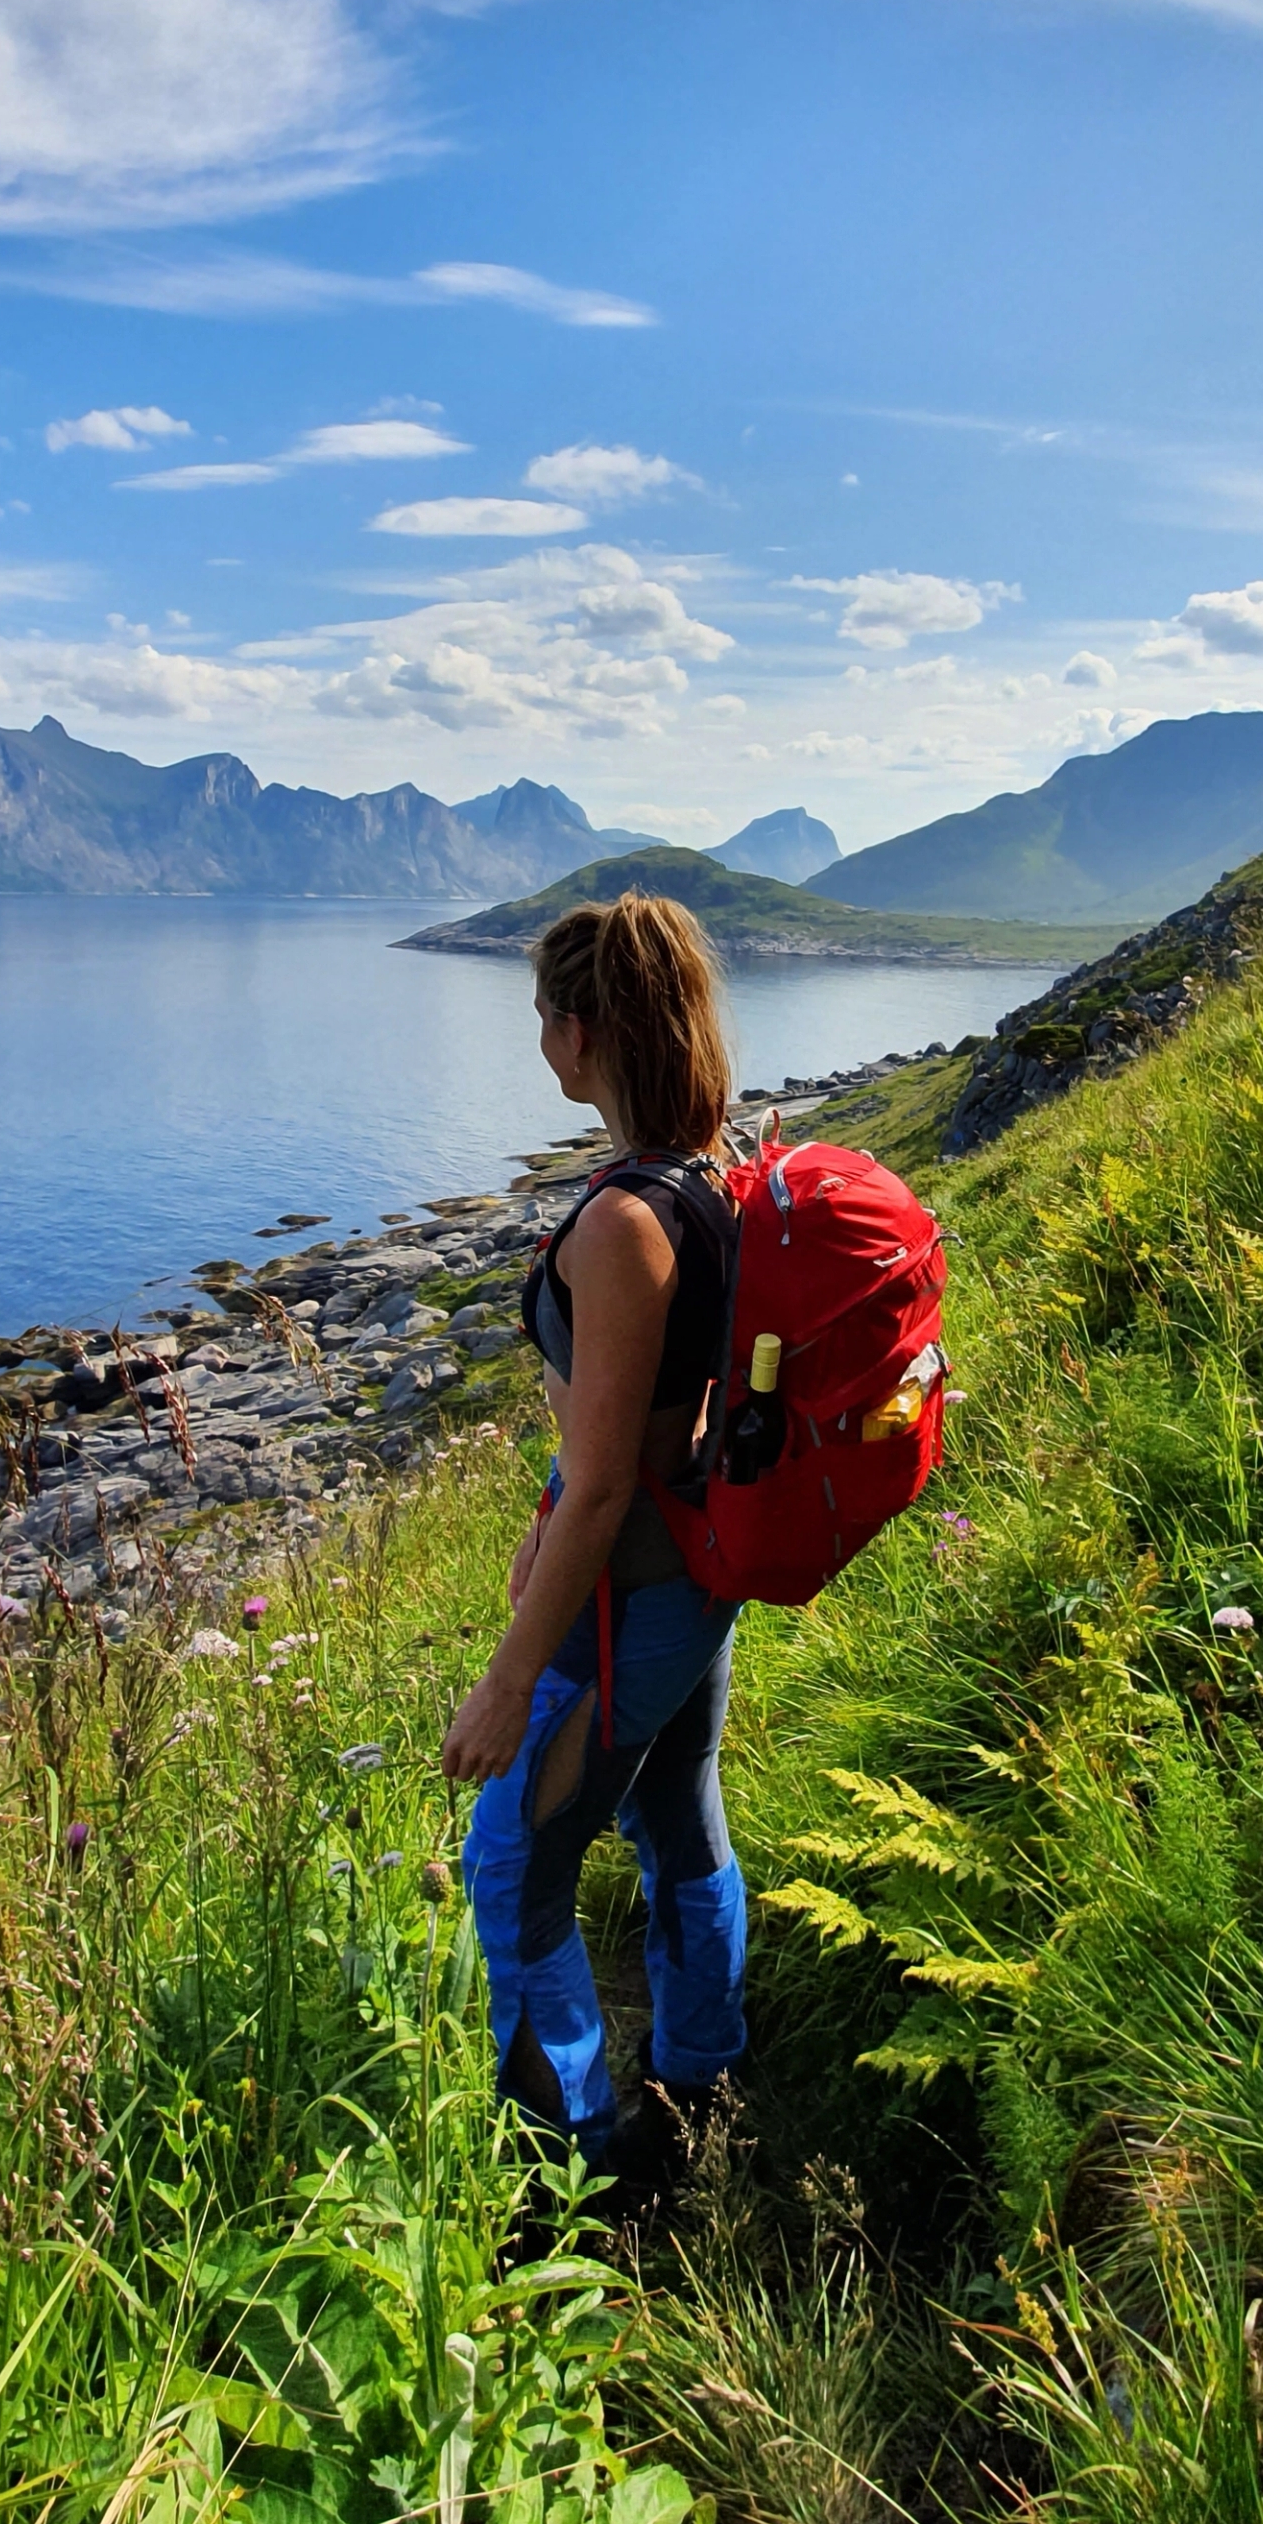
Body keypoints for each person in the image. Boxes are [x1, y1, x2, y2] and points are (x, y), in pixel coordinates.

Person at [440, 888, 747, 2185]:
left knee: (513, 1873)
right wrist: (546, 1510)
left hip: (627, 1611)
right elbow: (632, 1437)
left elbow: (611, 1478)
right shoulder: (711, 1177)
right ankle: (701, 2078)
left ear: (587, 1029)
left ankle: (576, 2174)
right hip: (693, 1590)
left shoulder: (626, 1226)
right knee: (681, 1816)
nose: (538, 1042)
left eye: (543, 1017)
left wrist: (514, 1674)